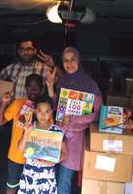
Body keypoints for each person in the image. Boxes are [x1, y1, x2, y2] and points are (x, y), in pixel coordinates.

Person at [46, 47, 103, 194]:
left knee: (63, 184)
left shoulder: (90, 85)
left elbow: (99, 114)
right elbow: (57, 107)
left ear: (79, 61)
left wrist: (73, 117)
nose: (69, 64)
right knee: (53, 179)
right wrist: (50, 88)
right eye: (65, 60)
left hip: (74, 140)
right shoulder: (62, 81)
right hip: (58, 135)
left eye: (73, 60)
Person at [0, 74, 44, 194]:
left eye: (36, 87)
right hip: (16, 156)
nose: (33, 90)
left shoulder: (45, 107)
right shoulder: (18, 103)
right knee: (12, 187)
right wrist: (4, 103)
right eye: (30, 86)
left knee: (32, 188)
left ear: (42, 88)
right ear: (25, 88)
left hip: (36, 158)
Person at [17, 96, 67, 194]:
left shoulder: (57, 131)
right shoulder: (30, 127)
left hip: (47, 178)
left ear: (51, 112)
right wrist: (26, 132)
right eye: (40, 111)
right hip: (29, 175)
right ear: (35, 111)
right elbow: (20, 149)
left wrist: (53, 161)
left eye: (47, 111)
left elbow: (65, 154)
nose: (43, 115)